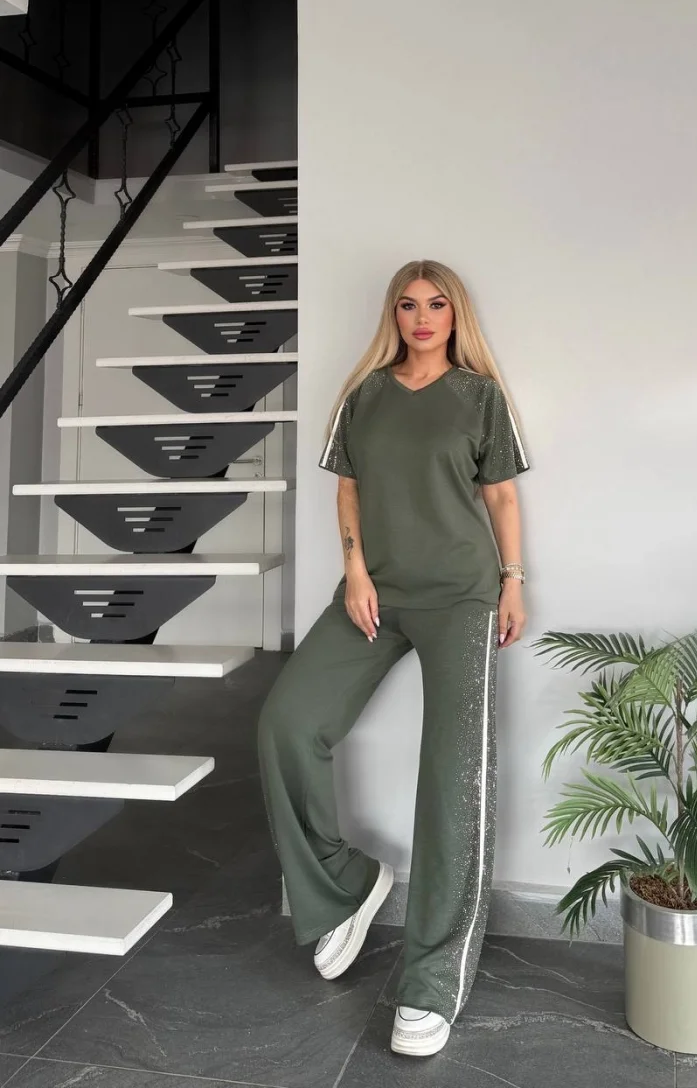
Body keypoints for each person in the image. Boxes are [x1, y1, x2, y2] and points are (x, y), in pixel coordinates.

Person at [258, 259, 529, 1057]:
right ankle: (343, 885)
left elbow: (501, 493)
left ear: (455, 314)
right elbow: (347, 484)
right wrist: (354, 569)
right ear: (394, 315)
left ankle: (432, 981)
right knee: (287, 722)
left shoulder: (480, 396)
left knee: (453, 777)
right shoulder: (365, 394)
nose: (422, 317)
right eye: (408, 305)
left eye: (437, 304)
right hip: (374, 591)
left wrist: (513, 582)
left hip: (462, 599)